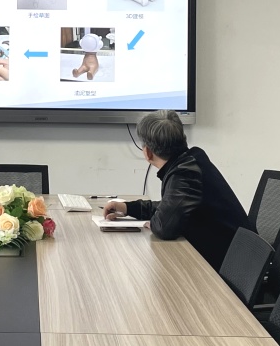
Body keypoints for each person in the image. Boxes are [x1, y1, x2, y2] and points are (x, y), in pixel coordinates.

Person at [103, 110, 254, 270]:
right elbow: (170, 206)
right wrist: (128, 208)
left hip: (233, 268)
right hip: (237, 256)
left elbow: (165, 228)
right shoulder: (191, 160)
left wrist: (155, 223)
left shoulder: (185, 172)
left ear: (147, 152)